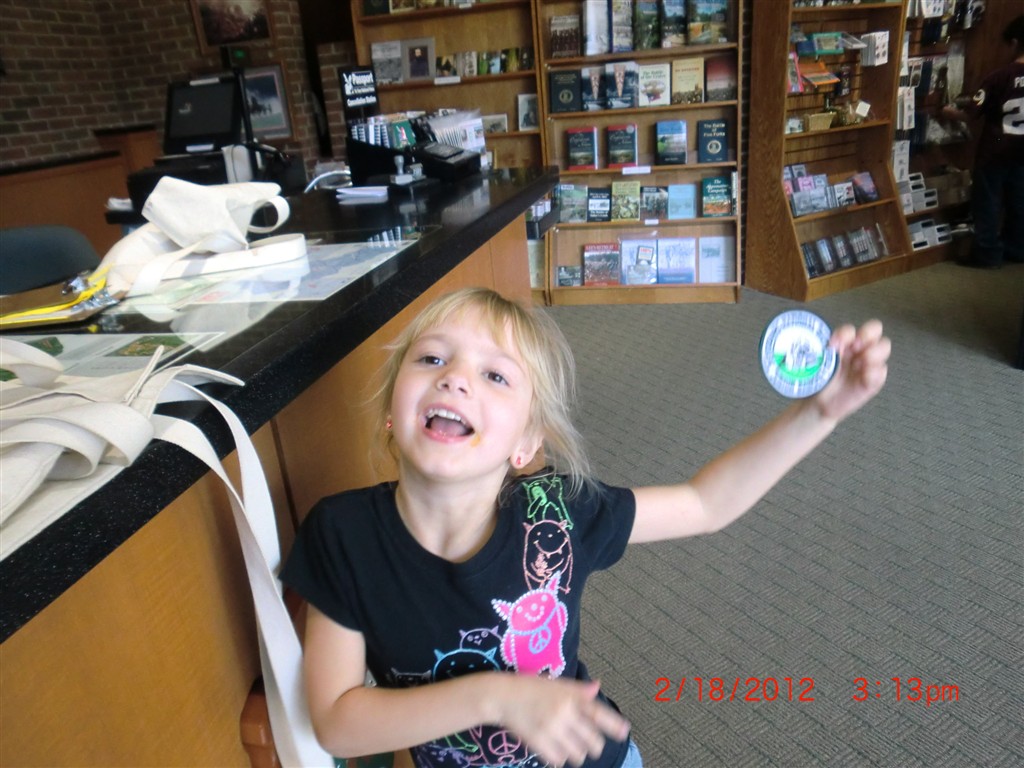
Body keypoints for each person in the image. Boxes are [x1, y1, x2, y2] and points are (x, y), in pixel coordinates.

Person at [281, 287, 891, 768]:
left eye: (495, 376)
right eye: (432, 358)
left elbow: (706, 504)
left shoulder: (558, 512)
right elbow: (336, 722)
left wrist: (820, 412)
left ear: (525, 444)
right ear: (392, 409)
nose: (455, 377)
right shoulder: (342, 535)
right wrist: (495, 697)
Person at [940, 14, 1024, 268]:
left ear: (1014, 43)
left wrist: (948, 112)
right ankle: (1017, 248)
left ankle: (987, 253)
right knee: (1019, 202)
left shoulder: (999, 77)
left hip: (996, 150)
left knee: (987, 202)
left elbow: (971, 113)